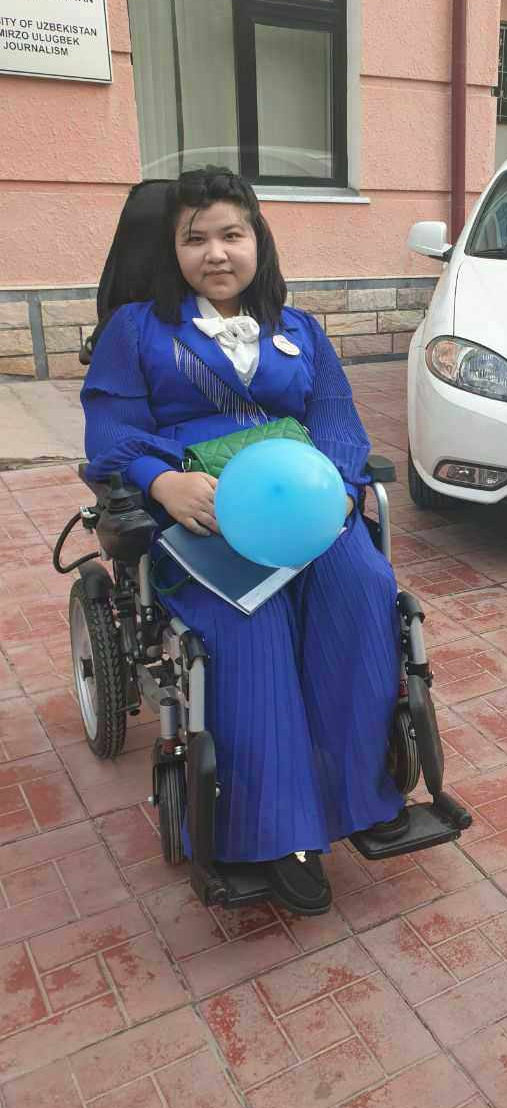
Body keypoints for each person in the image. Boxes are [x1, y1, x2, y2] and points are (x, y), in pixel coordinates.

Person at [81, 168, 407, 914]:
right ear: (172, 250)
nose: (216, 253)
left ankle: (362, 791)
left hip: (305, 510)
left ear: (258, 240)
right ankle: (277, 830)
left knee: (365, 587)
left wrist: (337, 484)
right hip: (206, 517)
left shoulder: (301, 330)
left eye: (232, 234)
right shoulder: (136, 329)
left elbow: (336, 418)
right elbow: (111, 430)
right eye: (195, 238)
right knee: (249, 625)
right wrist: (162, 482)